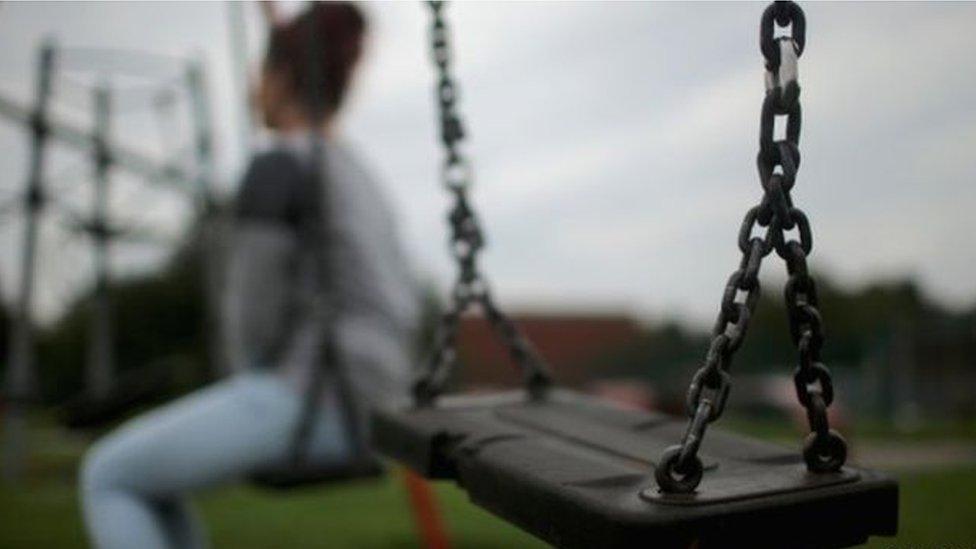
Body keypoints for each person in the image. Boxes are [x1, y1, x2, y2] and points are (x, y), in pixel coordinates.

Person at [80, 4, 420, 548]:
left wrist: (247, 373)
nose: (251, 86)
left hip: (315, 396)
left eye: (260, 72)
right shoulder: (354, 171)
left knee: (109, 475)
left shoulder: (278, 167)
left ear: (281, 78)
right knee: (157, 486)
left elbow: (252, 311)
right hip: (381, 401)